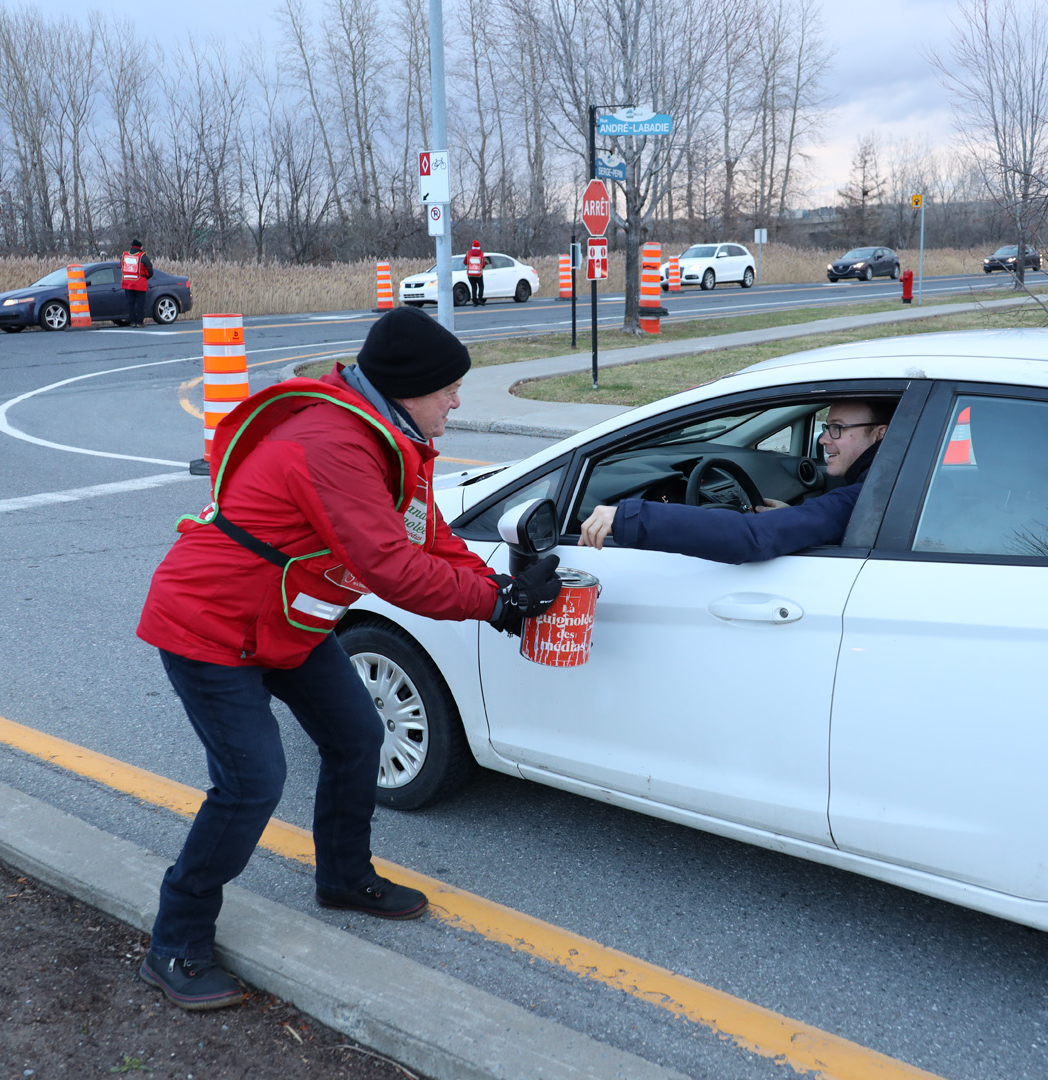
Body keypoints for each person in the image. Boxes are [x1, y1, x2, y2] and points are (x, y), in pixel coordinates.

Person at [134, 306, 563, 1010]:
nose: (457, 400)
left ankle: (342, 876)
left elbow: (430, 540)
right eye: (448, 389)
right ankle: (175, 941)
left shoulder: (396, 437)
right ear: (406, 389)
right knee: (251, 784)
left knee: (359, 736)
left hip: (286, 624)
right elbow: (391, 568)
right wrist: (494, 608)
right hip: (210, 623)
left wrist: (502, 589)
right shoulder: (333, 442)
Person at [578, 399, 892, 564]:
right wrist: (791, 517)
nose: (823, 439)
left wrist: (627, 515)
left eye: (837, 428)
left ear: (880, 434)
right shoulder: (889, 485)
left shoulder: (862, 498)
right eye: (826, 426)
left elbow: (751, 537)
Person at [121, 239, 154, 326]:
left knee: (130, 303)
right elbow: (149, 269)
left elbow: (121, 266)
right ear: (140, 247)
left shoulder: (125, 255)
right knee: (140, 303)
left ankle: (132, 322)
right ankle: (139, 322)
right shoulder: (142, 256)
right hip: (139, 283)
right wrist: (146, 276)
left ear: (131, 246)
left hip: (127, 283)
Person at [464, 240, 485, 306]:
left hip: (470, 273)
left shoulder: (468, 253)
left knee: (473, 287)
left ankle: (474, 301)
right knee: (481, 286)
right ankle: (480, 299)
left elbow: (465, 262)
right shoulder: (481, 254)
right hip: (478, 273)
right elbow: (483, 264)